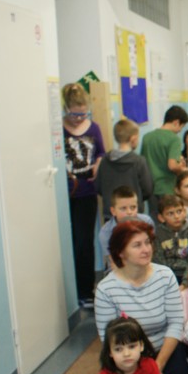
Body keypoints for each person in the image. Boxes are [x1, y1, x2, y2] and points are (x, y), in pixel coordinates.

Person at [93, 220, 188, 374]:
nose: (146, 249)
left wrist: (157, 366)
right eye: (137, 245)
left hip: (164, 349)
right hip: (128, 354)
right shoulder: (106, 289)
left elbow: (176, 323)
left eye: (147, 243)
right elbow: (108, 338)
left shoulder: (165, 276)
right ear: (121, 252)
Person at [62, 83, 105, 309]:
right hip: (66, 192)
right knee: (67, 241)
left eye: (83, 114)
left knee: (84, 242)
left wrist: (98, 163)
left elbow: (101, 152)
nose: (79, 119)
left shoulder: (93, 128)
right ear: (66, 109)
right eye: (74, 114)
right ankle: (70, 292)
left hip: (86, 192)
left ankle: (86, 289)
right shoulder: (59, 128)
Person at [96, 118, 153, 221]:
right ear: (133, 138)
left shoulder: (105, 160)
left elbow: (98, 187)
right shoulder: (139, 161)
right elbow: (147, 189)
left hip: (111, 214)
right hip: (133, 214)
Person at [140, 105, 188, 217]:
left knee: (155, 218)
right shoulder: (174, 139)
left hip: (150, 187)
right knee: (170, 219)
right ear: (176, 122)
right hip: (167, 187)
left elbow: (142, 162)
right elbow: (172, 165)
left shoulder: (147, 137)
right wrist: (182, 168)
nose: (180, 131)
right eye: (181, 127)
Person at [97, 186, 155, 271]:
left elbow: (151, 251)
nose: (129, 212)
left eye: (133, 207)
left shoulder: (147, 222)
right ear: (113, 211)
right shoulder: (106, 232)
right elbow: (114, 262)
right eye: (123, 208)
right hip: (118, 269)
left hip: (144, 266)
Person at [152, 194, 188, 284]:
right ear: (161, 217)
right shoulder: (159, 232)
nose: (176, 216)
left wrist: (186, 281)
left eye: (179, 211)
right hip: (167, 275)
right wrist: (168, 279)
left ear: (184, 212)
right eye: (170, 213)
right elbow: (158, 259)